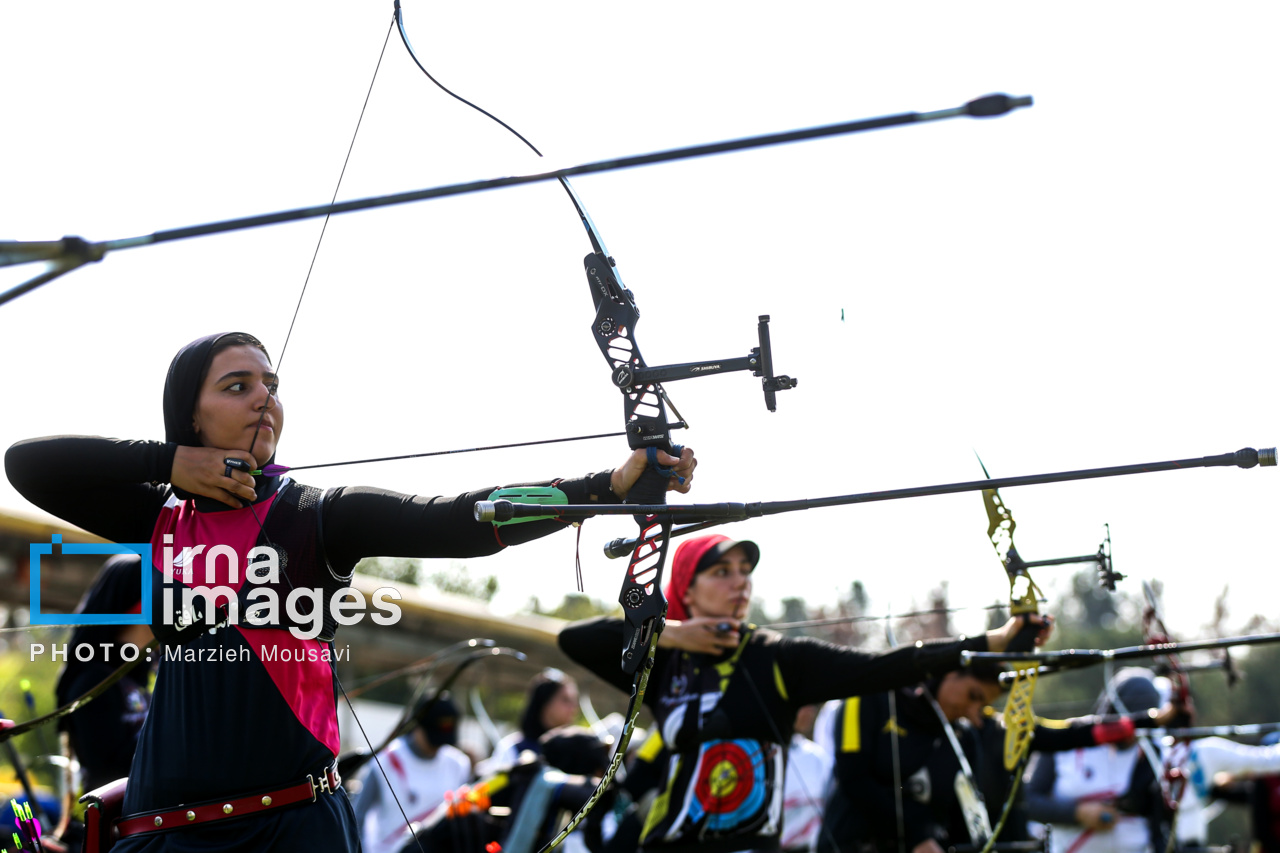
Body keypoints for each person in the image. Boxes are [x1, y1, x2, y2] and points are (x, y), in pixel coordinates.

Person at [4, 331, 695, 852]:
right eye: (237, 385)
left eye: (270, 383)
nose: (264, 397)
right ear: (190, 416)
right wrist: (167, 463)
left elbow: (459, 516)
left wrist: (604, 487)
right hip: (165, 829)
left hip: (289, 825)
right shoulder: (161, 516)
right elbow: (28, 463)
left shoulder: (316, 513)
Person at [557, 534, 1051, 853]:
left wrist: (996, 641)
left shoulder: (776, 657)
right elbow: (573, 640)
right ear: (686, 587)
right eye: (721, 572)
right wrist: (670, 633)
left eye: (744, 572)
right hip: (664, 844)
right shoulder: (662, 663)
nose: (740, 584)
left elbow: (885, 667)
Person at [1025, 667, 1168, 853]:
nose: (1130, 735)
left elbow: (1159, 825)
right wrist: (1078, 813)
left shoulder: (1150, 753)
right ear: (1111, 709)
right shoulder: (1067, 737)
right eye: (1127, 724)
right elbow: (1029, 802)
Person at [353, 694, 473, 853]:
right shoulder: (385, 761)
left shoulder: (458, 764)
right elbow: (356, 817)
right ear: (417, 725)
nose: (437, 746)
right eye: (434, 737)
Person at [481, 669, 579, 773]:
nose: (573, 707)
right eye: (565, 700)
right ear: (545, 702)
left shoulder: (576, 751)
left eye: (574, 701)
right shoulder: (513, 748)